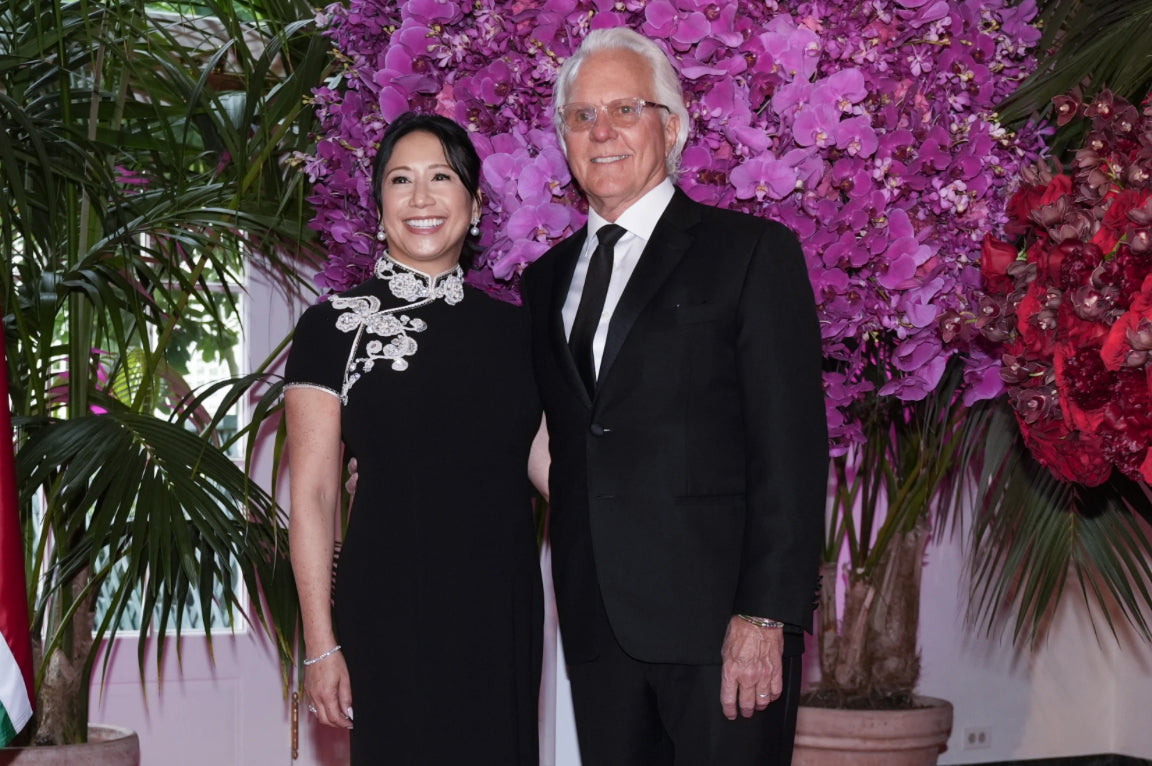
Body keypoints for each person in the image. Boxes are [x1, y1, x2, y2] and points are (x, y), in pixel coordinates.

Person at [518, 27, 828, 765]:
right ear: (564, 139)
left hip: (720, 629)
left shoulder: (751, 254)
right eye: (582, 117)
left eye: (625, 109)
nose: (602, 132)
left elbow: (791, 448)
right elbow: (551, 439)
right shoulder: (544, 282)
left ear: (674, 124)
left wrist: (765, 615)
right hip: (597, 626)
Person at [284, 112, 548, 765]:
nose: (422, 198)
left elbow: (553, 468)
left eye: (442, 178)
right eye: (401, 180)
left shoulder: (521, 334)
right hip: (388, 614)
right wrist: (320, 644)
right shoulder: (330, 329)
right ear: (379, 206)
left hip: (501, 616)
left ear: (476, 202)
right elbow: (314, 495)